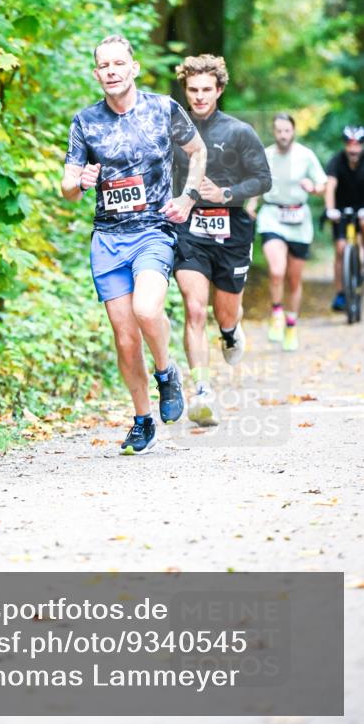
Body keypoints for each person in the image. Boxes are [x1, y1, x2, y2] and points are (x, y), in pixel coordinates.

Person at [61, 35, 206, 455]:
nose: (111, 71)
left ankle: (167, 372)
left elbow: (197, 153)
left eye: (118, 63)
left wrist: (188, 197)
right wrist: (79, 183)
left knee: (147, 309)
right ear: (96, 74)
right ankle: (143, 419)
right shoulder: (85, 122)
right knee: (125, 338)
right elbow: (68, 184)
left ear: (134, 67)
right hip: (107, 239)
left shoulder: (163, 109)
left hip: (153, 231)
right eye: (104, 65)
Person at [172, 55, 272, 427]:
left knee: (223, 313)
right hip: (189, 231)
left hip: (231, 233)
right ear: (185, 90)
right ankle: (201, 391)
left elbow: (263, 179)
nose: (199, 97)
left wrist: (226, 193)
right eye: (193, 90)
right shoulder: (173, 131)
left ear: (219, 90)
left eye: (206, 90)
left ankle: (230, 332)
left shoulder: (239, 132)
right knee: (195, 309)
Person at [247, 113, 327, 351]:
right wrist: (252, 204)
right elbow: (258, 183)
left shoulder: (305, 156)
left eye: (287, 131)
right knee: (276, 270)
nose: (283, 135)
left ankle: (291, 325)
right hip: (272, 216)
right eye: (279, 131)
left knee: (294, 279)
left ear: (293, 131)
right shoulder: (267, 155)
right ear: (274, 132)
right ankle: (277, 312)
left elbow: (322, 184)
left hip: (299, 220)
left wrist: (313, 188)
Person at [325, 125, 364, 310]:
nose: (353, 149)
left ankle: (361, 260)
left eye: (358, 144)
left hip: (363, 207)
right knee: (340, 249)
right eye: (350, 144)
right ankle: (341, 293)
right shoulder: (336, 161)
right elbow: (330, 186)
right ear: (345, 145)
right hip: (341, 210)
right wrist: (330, 209)